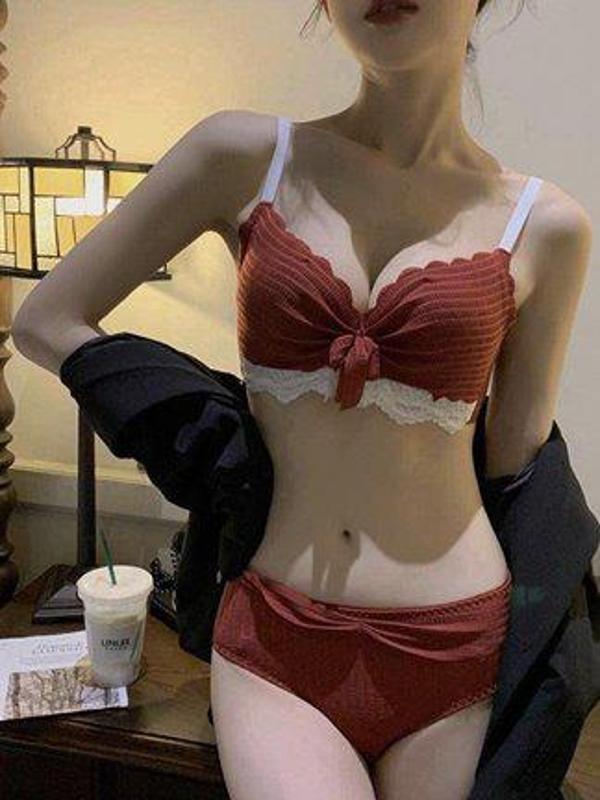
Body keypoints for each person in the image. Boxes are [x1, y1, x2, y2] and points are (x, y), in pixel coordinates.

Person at [12, 1, 593, 798]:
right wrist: (201, 428)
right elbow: (46, 319)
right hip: (278, 640)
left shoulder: (547, 226)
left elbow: (518, 465)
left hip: (458, 643)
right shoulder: (242, 156)